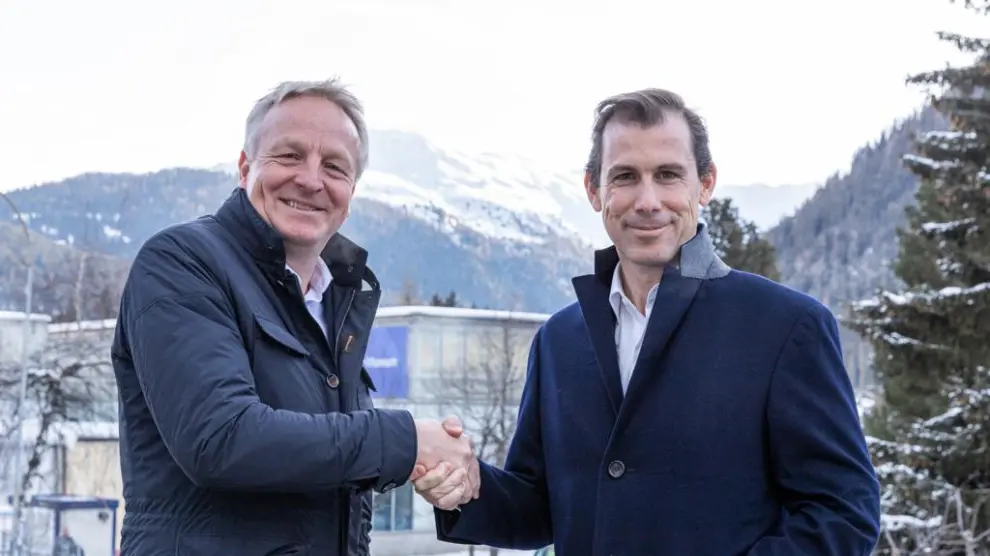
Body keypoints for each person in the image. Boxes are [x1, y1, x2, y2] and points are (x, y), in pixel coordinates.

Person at [413, 88, 882, 555]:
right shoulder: (558, 340)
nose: (648, 200)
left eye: (668, 175)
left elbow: (843, 514)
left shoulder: (787, 327)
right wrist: (466, 486)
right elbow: (539, 507)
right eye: (625, 177)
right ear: (594, 190)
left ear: (705, 184)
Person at [110, 78, 479, 556]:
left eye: (334, 167)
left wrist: (441, 467)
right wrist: (406, 442)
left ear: (350, 192)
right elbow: (220, 439)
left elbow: (336, 475)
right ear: (245, 167)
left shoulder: (335, 306)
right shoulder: (182, 263)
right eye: (289, 155)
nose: (310, 180)